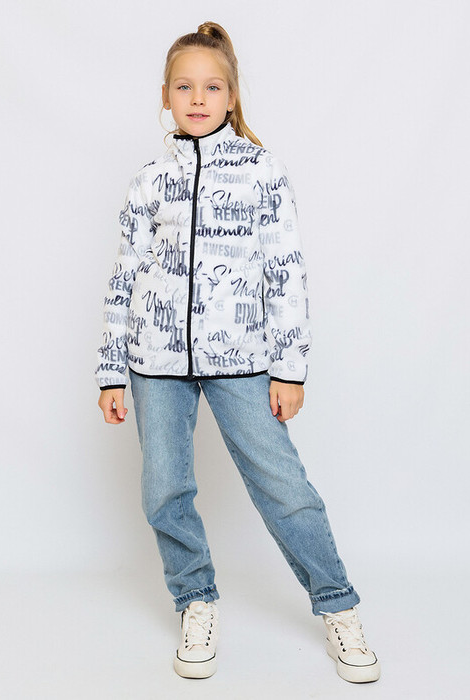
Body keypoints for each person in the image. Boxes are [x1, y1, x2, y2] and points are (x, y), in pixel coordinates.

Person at [95, 21, 381, 684]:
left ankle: (337, 604)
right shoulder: (148, 181)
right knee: (164, 489)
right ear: (165, 96)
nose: (198, 98)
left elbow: (284, 271)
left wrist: (290, 368)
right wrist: (111, 371)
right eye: (184, 87)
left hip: (244, 360)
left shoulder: (261, 171)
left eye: (212, 87)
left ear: (231, 97)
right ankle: (195, 599)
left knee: (284, 488)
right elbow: (124, 275)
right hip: (154, 362)